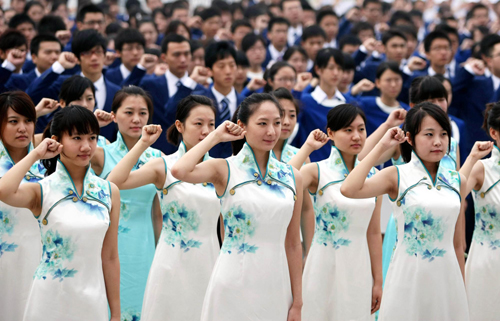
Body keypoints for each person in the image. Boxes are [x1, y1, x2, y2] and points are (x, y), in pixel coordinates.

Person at [171, 93, 303, 321]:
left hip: (276, 283)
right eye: (262, 123)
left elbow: (292, 243)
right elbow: (179, 171)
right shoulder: (224, 169)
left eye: (277, 123)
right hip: (233, 282)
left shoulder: (292, 176)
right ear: (242, 125)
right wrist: (214, 136)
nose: (271, 131)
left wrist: (298, 302)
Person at [341, 102, 469, 320]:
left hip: (447, 278)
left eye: (443, 134)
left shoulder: (458, 180)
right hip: (408, 274)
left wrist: (461, 287)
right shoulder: (396, 175)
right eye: (429, 134)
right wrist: (382, 146)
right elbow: (348, 188)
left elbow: (458, 244)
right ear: (410, 138)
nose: (438, 142)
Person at [0, 105, 120, 321]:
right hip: (49, 299)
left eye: (92, 137)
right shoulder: (42, 189)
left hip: (93, 299)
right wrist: (36, 153)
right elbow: (4, 191)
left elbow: (110, 257)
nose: (86, 146)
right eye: (76, 138)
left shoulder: (109, 192)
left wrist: (116, 312)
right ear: (56, 140)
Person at [108, 95, 221, 321]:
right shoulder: (163, 165)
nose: (206, 131)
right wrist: (143, 143)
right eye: (198, 124)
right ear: (179, 126)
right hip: (172, 262)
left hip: (211, 259)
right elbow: (114, 181)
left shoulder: (220, 169)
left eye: (211, 125)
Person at [289, 104, 383, 320]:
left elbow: (374, 232)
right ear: (330, 133)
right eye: (348, 130)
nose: (356, 136)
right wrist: (308, 147)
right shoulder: (317, 171)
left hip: (359, 266)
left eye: (361, 129)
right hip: (324, 263)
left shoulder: (373, 176)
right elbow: (284, 181)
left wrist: (378, 280)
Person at [90, 86, 162, 320]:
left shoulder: (158, 158)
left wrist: (163, 251)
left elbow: (157, 214)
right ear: (114, 116)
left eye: (142, 113)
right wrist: (91, 123)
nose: (136, 119)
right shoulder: (100, 155)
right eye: (128, 112)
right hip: (108, 242)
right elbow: (56, 143)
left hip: (144, 245)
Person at [0, 91, 46, 321]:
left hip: (42, 260)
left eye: (28, 121)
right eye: (13, 121)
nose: (23, 128)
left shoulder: (47, 165)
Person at [459, 102, 500, 321]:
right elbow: (450, 196)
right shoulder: (482, 169)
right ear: (494, 133)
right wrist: (472, 157)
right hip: (489, 262)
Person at [293, 48, 356, 161]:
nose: (336, 73)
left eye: (339, 68)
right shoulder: (304, 101)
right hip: (311, 167)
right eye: (331, 68)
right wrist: (297, 90)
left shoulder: (350, 103)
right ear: (318, 69)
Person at [357, 61, 410, 136]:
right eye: (388, 80)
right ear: (378, 82)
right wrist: (354, 91)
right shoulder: (364, 105)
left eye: (397, 80)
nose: (393, 85)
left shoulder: (405, 111)